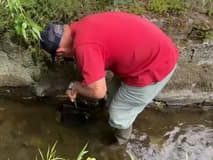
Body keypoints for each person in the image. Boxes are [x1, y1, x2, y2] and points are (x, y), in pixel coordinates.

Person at [40, 12, 179, 146]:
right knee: (113, 92)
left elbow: (98, 92)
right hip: (151, 49)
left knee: (118, 115)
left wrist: (75, 86)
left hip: (155, 66)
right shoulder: (80, 25)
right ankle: (109, 117)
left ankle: (120, 143)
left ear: (60, 52)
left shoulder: (84, 48)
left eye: (61, 57)